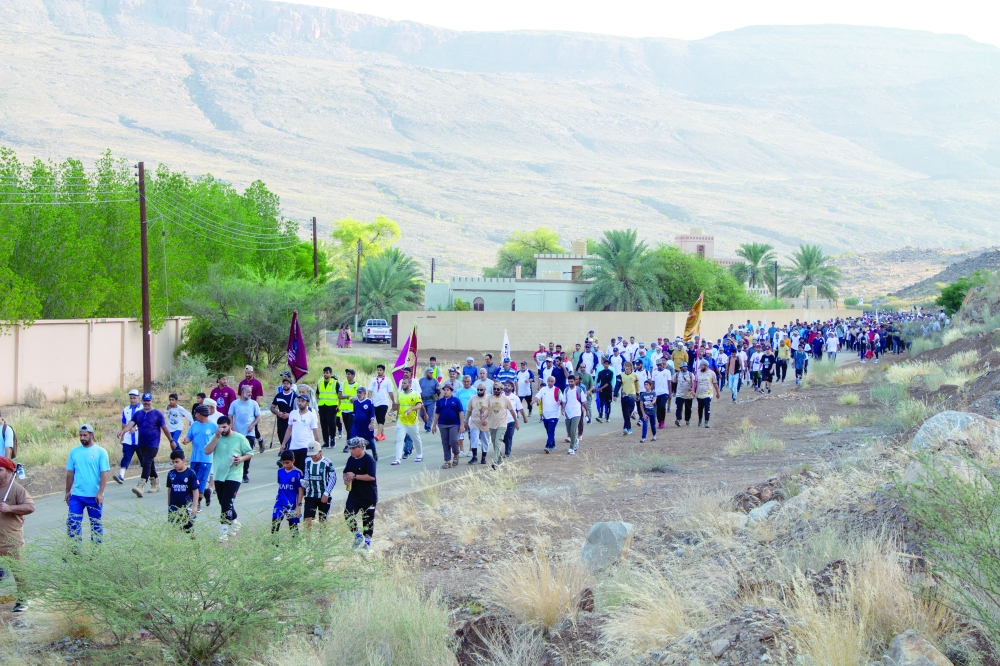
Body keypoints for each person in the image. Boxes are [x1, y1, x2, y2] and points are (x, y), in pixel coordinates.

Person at [204, 416, 253, 541]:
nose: (222, 429)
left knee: (226, 502)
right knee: (224, 502)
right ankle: (235, 522)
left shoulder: (239, 438)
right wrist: (216, 437)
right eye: (219, 427)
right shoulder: (216, 437)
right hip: (219, 474)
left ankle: (223, 530)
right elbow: (207, 451)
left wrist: (241, 459)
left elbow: (250, 453)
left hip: (234, 475)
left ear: (230, 425)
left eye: (224, 427)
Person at [118, 392, 173, 498]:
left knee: (146, 462)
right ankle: (155, 483)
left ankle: (141, 485)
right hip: (142, 443)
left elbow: (164, 428)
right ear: (142, 401)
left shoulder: (157, 414)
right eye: (145, 401)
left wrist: (171, 441)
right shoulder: (138, 414)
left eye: (149, 400)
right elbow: (131, 424)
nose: (147, 402)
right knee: (149, 463)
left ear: (152, 401)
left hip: (153, 443)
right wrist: (123, 431)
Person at [0, 455, 34, 612]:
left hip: (11, 539)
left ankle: (23, 599)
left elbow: (29, 507)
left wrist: (10, 509)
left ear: (8, 471)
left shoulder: (16, 489)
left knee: (19, 572)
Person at [65, 424, 109, 541]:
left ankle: (96, 552)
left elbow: (104, 473)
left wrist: (100, 493)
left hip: (94, 497)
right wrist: (67, 491)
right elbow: (70, 473)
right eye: (80, 435)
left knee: (96, 525)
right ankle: (74, 550)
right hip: (77, 496)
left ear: (92, 435)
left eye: (85, 435)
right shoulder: (74, 452)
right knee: (73, 523)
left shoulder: (101, 452)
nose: (82, 438)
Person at [343, 437, 377, 549]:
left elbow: (371, 477)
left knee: (367, 520)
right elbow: (346, 472)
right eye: (350, 449)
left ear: (361, 448)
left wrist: (355, 476)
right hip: (354, 495)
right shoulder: (350, 459)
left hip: (368, 496)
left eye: (353, 448)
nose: (351, 451)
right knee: (348, 515)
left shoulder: (369, 460)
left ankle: (367, 543)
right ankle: (357, 536)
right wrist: (346, 478)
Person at [182, 405, 217, 509]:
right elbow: (190, 436)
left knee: (201, 481)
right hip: (194, 458)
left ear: (202, 415)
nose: (195, 415)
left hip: (206, 459)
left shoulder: (213, 426)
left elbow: (218, 439)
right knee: (193, 480)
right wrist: (186, 440)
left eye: (196, 413)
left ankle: (197, 503)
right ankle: (206, 492)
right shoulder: (194, 425)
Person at [281, 394, 320, 472]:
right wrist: (284, 443)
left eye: (302, 401)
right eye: (298, 401)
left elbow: (315, 432)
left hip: (306, 447)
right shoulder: (293, 413)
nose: (300, 403)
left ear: (307, 403)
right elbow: (289, 429)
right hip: (294, 446)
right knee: (294, 470)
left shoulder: (311, 416)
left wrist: (318, 448)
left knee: (303, 469)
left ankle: (303, 484)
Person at [230, 385, 261, 481]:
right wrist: (232, 428)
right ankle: (236, 473)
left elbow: (258, 416)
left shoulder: (254, 403)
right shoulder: (235, 404)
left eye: (250, 392)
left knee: (247, 453)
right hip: (238, 433)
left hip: (249, 433)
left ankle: (245, 473)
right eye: (248, 392)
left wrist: (252, 425)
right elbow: (230, 415)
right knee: (237, 453)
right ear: (242, 392)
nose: (250, 394)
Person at [392, 378, 426, 465]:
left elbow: (419, 405)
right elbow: (398, 406)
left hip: (412, 422)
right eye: (402, 383)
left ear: (410, 385)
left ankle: (419, 454)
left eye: (405, 383)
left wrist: (411, 409)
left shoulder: (415, 394)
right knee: (399, 439)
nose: (403, 384)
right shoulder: (400, 394)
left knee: (416, 439)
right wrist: (392, 411)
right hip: (402, 421)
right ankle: (397, 459)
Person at [302, 441, 337, 526]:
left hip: (323, 495)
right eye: (311, 454)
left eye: (315, 454)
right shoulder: (307, 461)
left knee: (323, 520)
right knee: (307, 519)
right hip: (310, 495)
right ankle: (308, 539)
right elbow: (307, 474)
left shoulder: (327, 462)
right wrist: (305, 482)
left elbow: (333, 478)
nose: (313, 456)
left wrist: (326, 493)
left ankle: (323, 538)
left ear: (320, 452)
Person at [431, 383, 465, 468]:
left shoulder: (456, 400)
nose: (445, 392)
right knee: (445, 443)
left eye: (447, 390)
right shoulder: (440, 401)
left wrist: (462, 425)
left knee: (453, 441)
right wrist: (434, 425)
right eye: (444, 390)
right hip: (442, 424)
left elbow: (460, 412)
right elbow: (437, 414)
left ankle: (456, 454)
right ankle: (447, 461)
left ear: (451, 391)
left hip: (454, 423)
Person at [166, 449, 199, 533]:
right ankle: (173, 546)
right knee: (173, 528)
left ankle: (195, 545)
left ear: (183, 460)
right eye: (173, 462)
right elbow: (169, 489)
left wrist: (195, 506)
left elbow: (195, 490)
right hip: (174, 506)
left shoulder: (190, 473)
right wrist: (169, 504)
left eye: (177, 462)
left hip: (186, 506)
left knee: (188, 529)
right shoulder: (171, 474)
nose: (175, 464)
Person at [486, 382, 518, 467]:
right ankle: (500, 460)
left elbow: (512, 411)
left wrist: (516, 422)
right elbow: (486, 409)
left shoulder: (505, 399)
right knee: (494, 443)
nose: (496, 391)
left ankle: (494, 461)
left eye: (498, 389)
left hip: (502, 424)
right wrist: (483, 417)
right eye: (494, 389)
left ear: (501, 390)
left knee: (498, 442)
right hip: (492, 424)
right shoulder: (489, 398)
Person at [272, 451, 304, 534]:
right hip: (280, 503)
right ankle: (274, 545)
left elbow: (301, 490)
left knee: (293, 527)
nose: (285, 465)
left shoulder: (298, 473)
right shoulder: (279, 471)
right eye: (283, 463)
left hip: (292, 505)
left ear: (293, 461)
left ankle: (295, 545)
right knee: (275, 523)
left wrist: (298, 505)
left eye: (287, 463)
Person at [116, 388, 142, 484]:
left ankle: (147, 477)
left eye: (134, 398)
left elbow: (145, 423)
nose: (132, 400)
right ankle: (121, 476)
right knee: (126, 457)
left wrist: (136, 428)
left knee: (143, 459)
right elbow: (124, 423)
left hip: (139, 439)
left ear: (138, 398)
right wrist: (123, 434)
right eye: (131, 398)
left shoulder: (142, 409)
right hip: (128, 439)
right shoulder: (126, 409)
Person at [534, 375, 562, 453]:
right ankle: (553, 444)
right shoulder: (543, 389)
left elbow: (562, 400)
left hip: (554, 415)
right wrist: (534, 400)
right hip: (545, 415)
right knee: (548, 430)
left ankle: (548, 445)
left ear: (554, 382)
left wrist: (561, 405)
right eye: (549, 381)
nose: (550, 383)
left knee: (551, 430)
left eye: (552, 381)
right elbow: (538, 396)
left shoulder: (557, 390)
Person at [465, 382, 491, 465]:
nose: (479, 391)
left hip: (485, 423)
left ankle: (483, 457)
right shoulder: (473, 398)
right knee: (474, 439)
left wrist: (487, 420)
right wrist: (465, 421)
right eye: (478, 390)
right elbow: (469, 410)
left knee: (485, 440)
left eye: (481, 390)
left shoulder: (489, 398)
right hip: (474, 422)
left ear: (485, 390)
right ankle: (474, 457)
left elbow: (492, 411)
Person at [560, 374, 588, 454]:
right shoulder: (566, 390)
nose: (570, 383)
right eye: (569, 382)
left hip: (576, 412)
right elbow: (564, 401)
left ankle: (571, 448)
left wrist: (587, 412)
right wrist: (563, 410)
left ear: (575, 381)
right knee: (569, 431)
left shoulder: (579, 390)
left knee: (573, 429)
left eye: (571, 381)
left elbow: (584, 402)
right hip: (568, 413)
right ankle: (575, 441)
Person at [350, 386, 378, 460]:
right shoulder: (355, 402)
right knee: (354, 440)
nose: (358, 394)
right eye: (357, 393)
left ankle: (374, 452)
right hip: (357, 425)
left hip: (366, 425)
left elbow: (372, 414)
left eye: (360, 393)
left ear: (364, 393)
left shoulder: (369, 402)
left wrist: (371, 423)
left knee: (370, 440)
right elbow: (354, 413)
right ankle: (354, 455)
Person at [368, 365, 394, 442]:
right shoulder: (373, 380)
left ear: (383, 371)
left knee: (381, 418)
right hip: (375, 402)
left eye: (381, 370)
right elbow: (370, 390)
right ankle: (382, 435)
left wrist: (393, 401)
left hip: (384, 402)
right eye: (378, 370)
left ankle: (378, 434)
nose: (379, 371)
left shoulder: (387, 381)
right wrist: (369, 400)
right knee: (378, 419)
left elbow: (390, 392)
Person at [317, 367, 341, 448]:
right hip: (322, 406)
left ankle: (333, 439)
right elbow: (317, 393)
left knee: (331, 423)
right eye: (324, 372)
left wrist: (338, 406)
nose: (325, 374)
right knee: (323, 424)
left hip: (332, 406)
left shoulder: (335, 383)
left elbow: (339, 395)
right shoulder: (320, 382)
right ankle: (326, 441)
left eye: (327, 372)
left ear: (331, 374)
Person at [502, 380, 526, 458]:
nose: (507, 387)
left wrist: (524, 418)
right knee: (502, 437)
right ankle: (506, 447)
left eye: (508, 386)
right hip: (501, 421)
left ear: (512, 388)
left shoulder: (515, 397)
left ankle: (507, 453)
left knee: (509, 436)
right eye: (505, 385)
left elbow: (520, 409)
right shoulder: (501, 396)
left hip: (511, 420)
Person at [454, 375, 477, 458]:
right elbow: (456, 402)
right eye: (465, 381)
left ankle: (471, 450)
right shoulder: (459, 391)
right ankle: (461, 450)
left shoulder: (474, 391)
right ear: (463, 382)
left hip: (472, 415)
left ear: (470, 381)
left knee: (472, 433)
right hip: (461, 414)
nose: (466, 383)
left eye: (468, 381)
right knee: (461, 432)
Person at [271, 377, 296, 451]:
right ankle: (283, 448)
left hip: (290, 419)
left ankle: (287, 449)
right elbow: (272, 407)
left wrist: (289, 415)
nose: (285, 385)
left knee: (288, 433)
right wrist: (277, 413)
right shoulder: (279, 395)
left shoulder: (294, 396)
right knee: (280, 433)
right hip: (280, 418)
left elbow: (297, 410)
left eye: (287, 384)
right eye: (284, 383)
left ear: (290, 385)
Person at [338, 369, 359, 453]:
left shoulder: (358, 385)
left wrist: (355, 399)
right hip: (344, 410)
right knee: (347, 429)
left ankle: (347, 446)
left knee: (349, 428)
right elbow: (339, 396)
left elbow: (361, 396)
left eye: (349, 374)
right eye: (347, 374)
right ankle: (354, 441)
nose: (348, 376)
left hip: (352, 410)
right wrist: (346, 397)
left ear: (353, 375)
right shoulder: (342, 384)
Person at [695, 360, 721, 428]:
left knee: (707, 406)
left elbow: (715, 384)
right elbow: (695, 383)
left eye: (702, 366)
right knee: (700, 408)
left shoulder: (712, 373)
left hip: (708, 393)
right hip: (699, 393)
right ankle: (700, 420)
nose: (700, 367)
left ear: (706, 366)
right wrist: (693, 391)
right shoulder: (698, 373)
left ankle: (706, 422)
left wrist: (718, 393)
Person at [619, 361, 640, 436]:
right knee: (625, 413)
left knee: (628, 412)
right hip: (624, 396)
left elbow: (637, 385)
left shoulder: (635, 375)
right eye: (626, 366)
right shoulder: (621, 375)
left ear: (631, 367)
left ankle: (626, 428)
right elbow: (618, 385)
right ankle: (628, 428)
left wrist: (638, 394)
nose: (627, 367)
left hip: (632, 395)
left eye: (628, 366)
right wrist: (615, 395)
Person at [651, 357, 672, 429]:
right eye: (658, 365)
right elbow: (653, 384)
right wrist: (650, 392)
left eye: (660, 365)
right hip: (657, 393)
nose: (659, 366)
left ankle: (663, 421)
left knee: (662, 406)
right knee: (658, 408)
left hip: (664, 392)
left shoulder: (667, 372)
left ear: (663, 364)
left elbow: (669, 383)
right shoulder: (654, 373)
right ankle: (659, 421)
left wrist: (670, 393)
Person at [418, 367, 440, 434]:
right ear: (426, 373)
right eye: (430, 373)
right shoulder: (421, 380)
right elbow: (418, 389)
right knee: (421, 414)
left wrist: (438, 390)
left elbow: (438, 391)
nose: (431, 374)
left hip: (431, 400)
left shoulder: (435, 381)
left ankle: (428, 427)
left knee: (430, 414)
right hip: (422, 400)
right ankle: (426, 422)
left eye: (432, 373)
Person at [673, 362, 695, 426]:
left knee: (688, 408)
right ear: (680, 368)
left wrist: (693, 390)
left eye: (686, 366)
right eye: (683, 366)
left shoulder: (691, 374)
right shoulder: (677, 374)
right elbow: (674, 382)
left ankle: (687, 420)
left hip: (688, 394)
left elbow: (694, 383)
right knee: (679, 408)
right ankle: (678, 419)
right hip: (680, 394)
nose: (685, 367)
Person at [595, 358, 614, 423]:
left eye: (607, 364)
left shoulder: (611, 372)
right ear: (603, 364)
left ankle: (607, 416)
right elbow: (598, 380)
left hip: (608, 390)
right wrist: (597, 387)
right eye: (605, 364)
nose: (606, 365)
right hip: (602, 391)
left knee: (608, 404)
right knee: (601, 403)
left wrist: (600, 388)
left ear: (609, 365)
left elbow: (608, 383)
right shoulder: (601, 372)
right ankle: (600, 416)